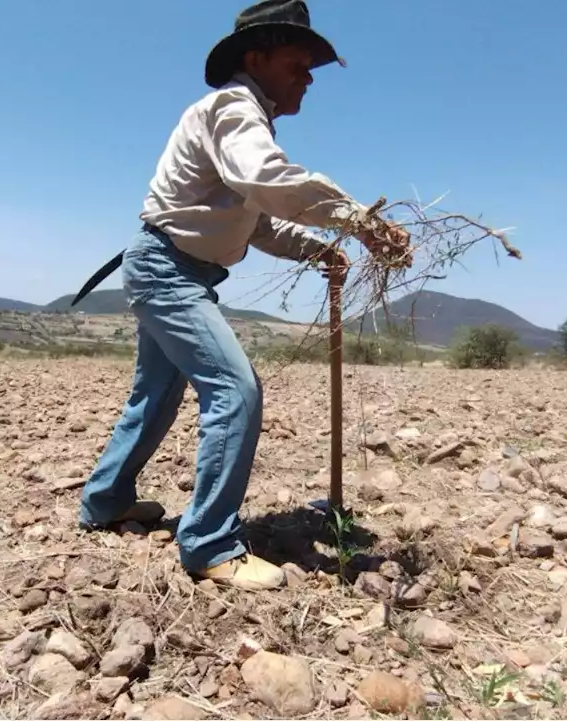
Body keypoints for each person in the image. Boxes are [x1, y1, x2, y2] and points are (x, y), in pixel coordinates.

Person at [72, 0, 410, 591]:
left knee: (154, 396)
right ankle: (208, 544)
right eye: (297, 62)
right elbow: (268, 182)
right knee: (235, 389)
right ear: (256, 57)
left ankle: (106, 501)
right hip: (166, 269)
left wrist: (318, 249)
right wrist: (355, 220)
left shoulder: (243, 121)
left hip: (175, 270)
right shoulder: (234, 109)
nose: (308, 77)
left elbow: (254, 220)